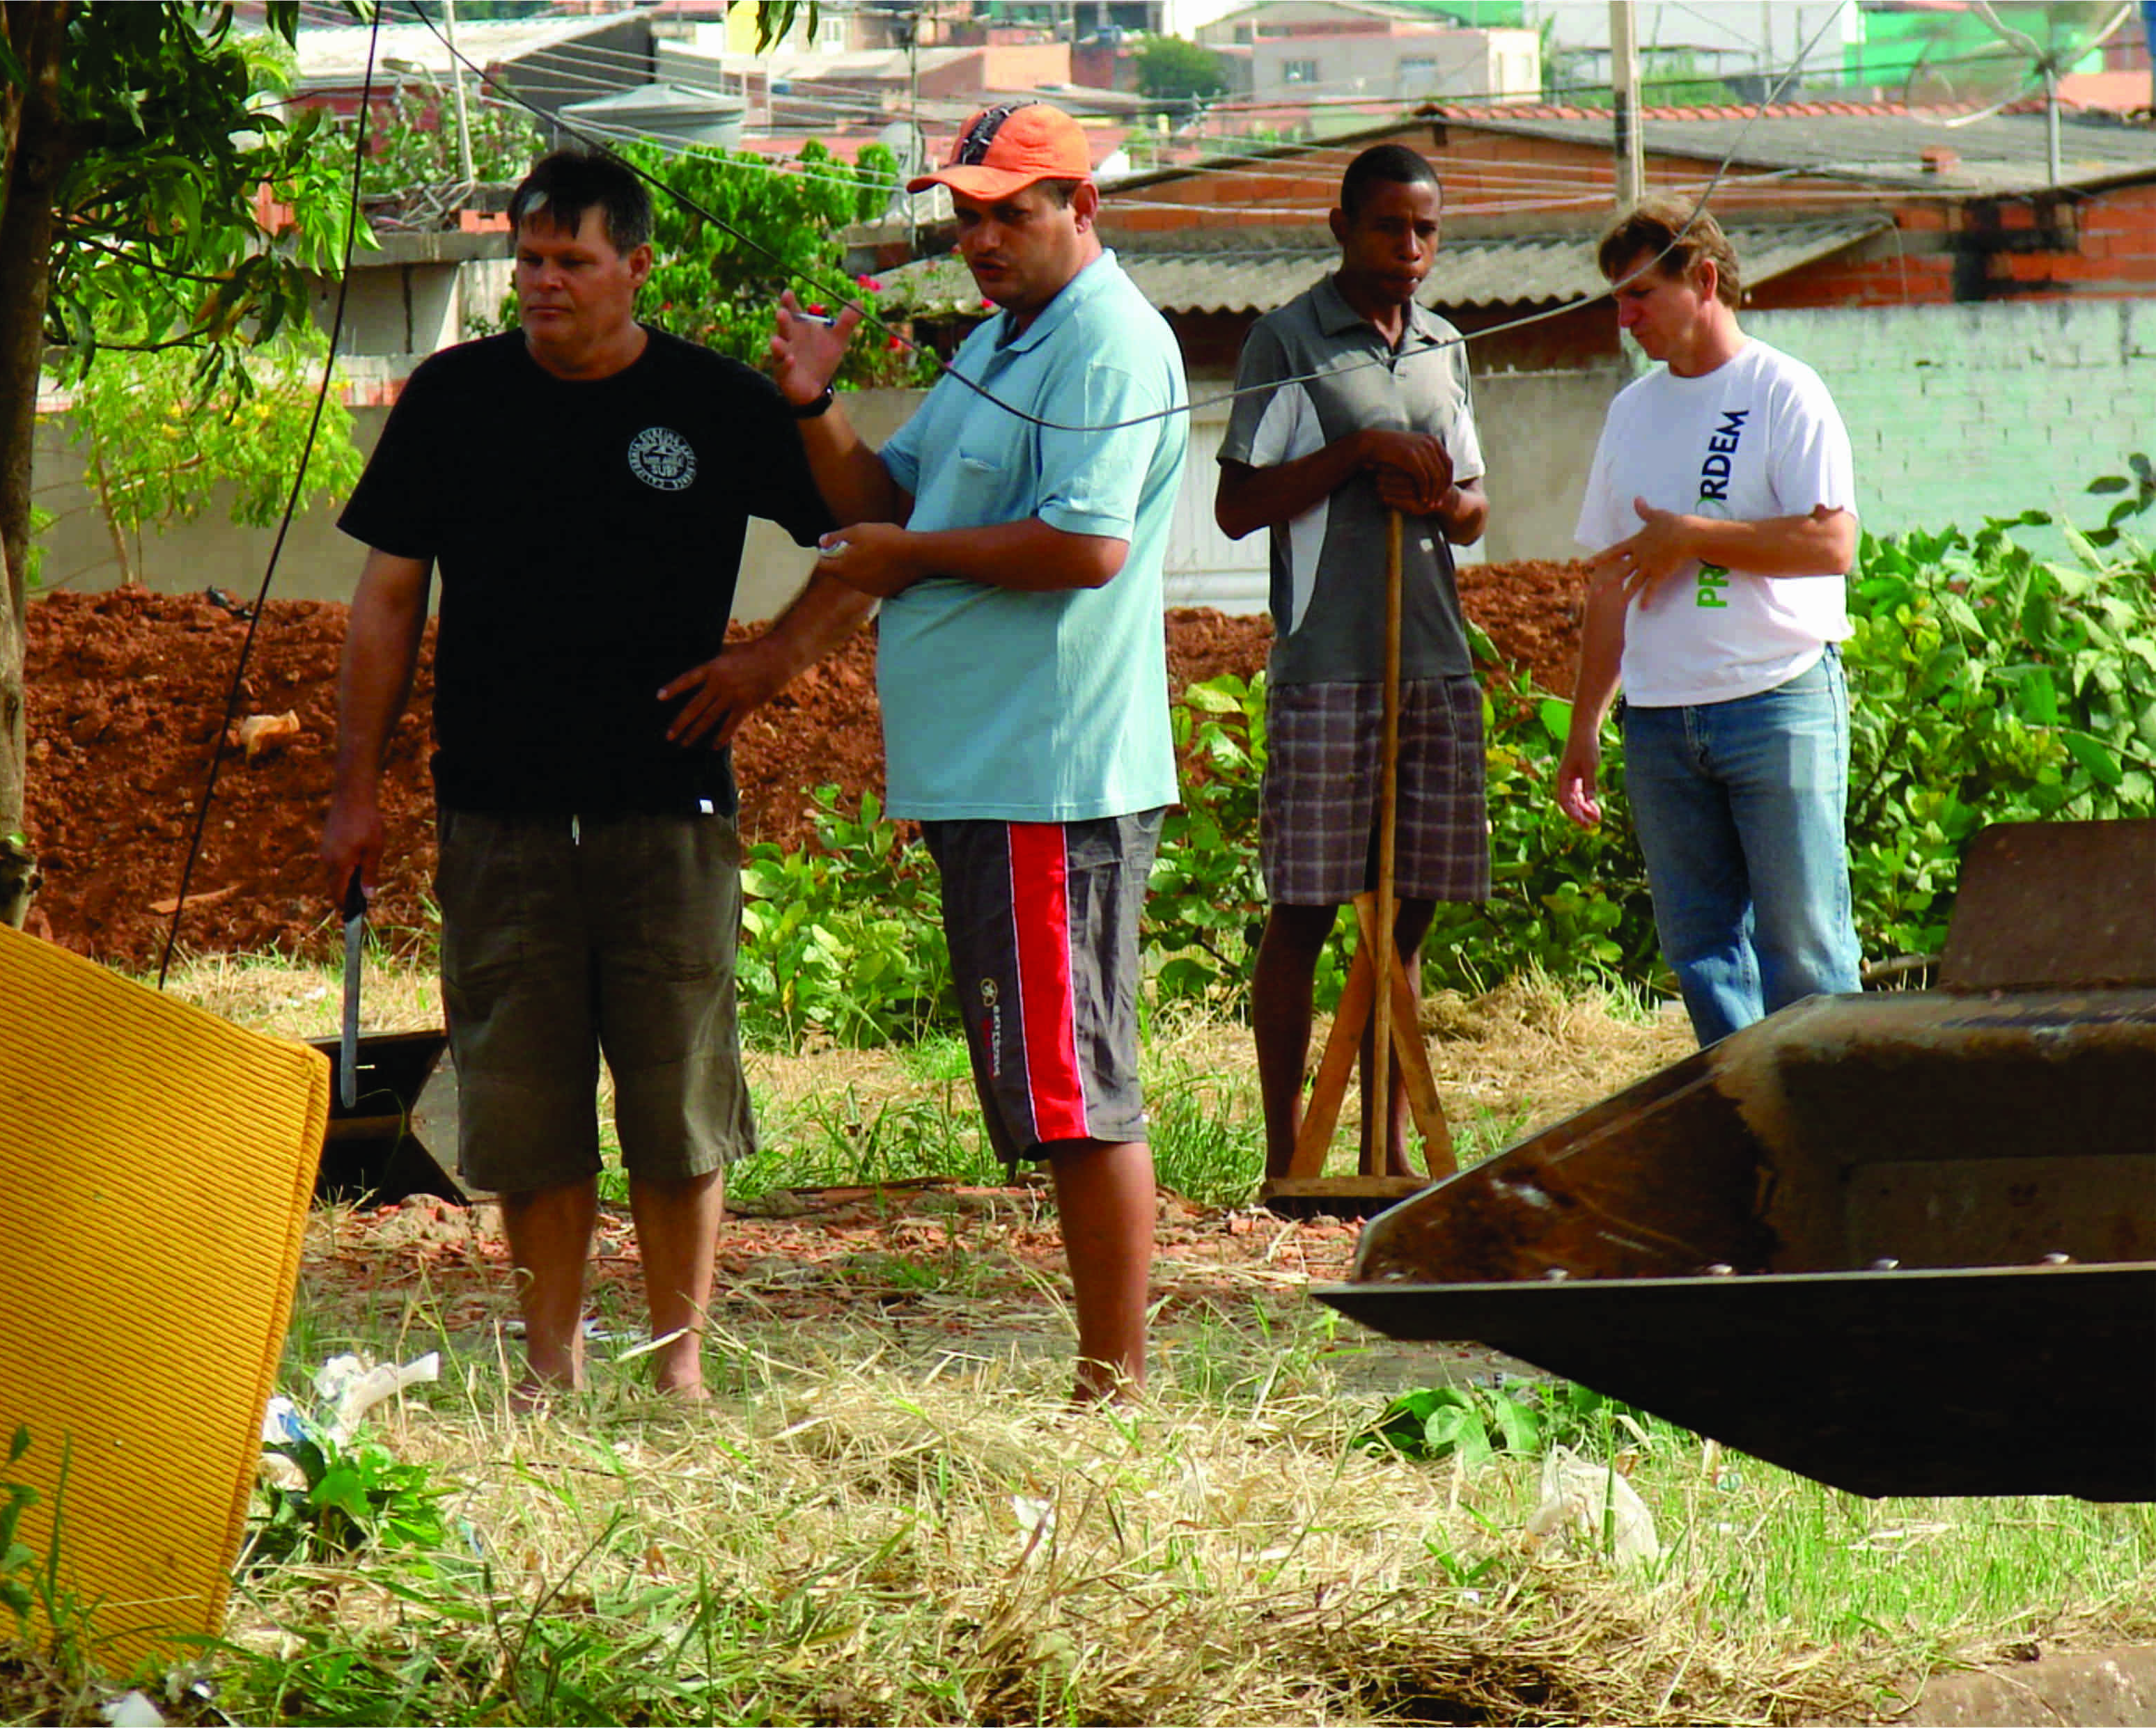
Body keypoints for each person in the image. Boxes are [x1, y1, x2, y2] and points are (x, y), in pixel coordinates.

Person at [320, 150, 868, 1404]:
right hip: (496, 809)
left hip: (664, 806)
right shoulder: (453, 399)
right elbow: (386, 601)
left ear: (636, 268)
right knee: (526, 1096)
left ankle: (679, 1363)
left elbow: (864, 531)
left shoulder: (718, 403)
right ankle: (551, 1366)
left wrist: (771, 660)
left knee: (677, 1091)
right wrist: (357, 785)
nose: (545, 282)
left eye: (572, 260)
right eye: (529, 260)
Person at [769, 101, 1187, 1401]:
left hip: (1049, 768)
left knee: (1075, 1087)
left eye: (1013, 210)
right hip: (990, 765)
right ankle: (1102, 1375)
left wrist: (910, 561)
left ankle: (1111, 1385)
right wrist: (813, 403)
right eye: (967, 214)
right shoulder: (1004, 344)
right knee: (1056, 1079)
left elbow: (1084, 547)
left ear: (1082, 207)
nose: (984, 237)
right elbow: (880, 504)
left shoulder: (1107, 343)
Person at [1212, 144, 1489, 1179]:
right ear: (1340, 228)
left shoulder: (1445, 347)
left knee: (1406, 914)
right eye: (1388, 228)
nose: (1410, 251)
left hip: (1433, 658)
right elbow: (1237, 508)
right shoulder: (1287, 342)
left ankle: (1379, 1145)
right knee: (1309, 907)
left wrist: (1443, 500)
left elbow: (1473, 510)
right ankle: (1289, 1156)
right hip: (1327, 660)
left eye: (1426, 231)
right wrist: (1359, 456)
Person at [1554, 196, 1861, 1046]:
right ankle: (1746, 1126)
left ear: (1703, 279)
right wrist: (1586, 725)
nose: (1624, 319)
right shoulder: (1631, 412)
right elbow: (1609, 581)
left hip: (1777, 699)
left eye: (1638, 296)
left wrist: (1692, 537)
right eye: (1616, 300)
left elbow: (1831, 541)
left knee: (1802, 943)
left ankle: (1830, 1132)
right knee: (1701, 953)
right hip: (1659, 720)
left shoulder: (1783, 391)